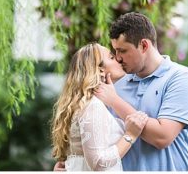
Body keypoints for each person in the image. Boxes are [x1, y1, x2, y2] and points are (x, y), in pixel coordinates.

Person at [96, 12, 188, 171]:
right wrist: (73, 163)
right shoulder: (115, 85)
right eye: (115, 52)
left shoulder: (182, 79)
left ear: (144, 45)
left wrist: (114, 101)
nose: (117, 58)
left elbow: (162, 137)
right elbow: (100, 141)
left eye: (123, 51)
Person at [50, 43, 150, 171]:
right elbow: (98, 163)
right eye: (112, 58)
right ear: (100, 70)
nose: (119, 59)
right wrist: (130, 135)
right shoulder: (93, 106)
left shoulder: (82, 103)